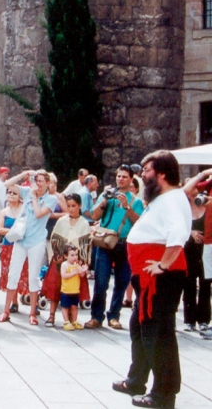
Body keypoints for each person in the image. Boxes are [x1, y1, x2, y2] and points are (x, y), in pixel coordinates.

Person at [113, 151, 191, 409]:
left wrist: (163, 264)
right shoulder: (166, 197)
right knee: (140, 327)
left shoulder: (170, 199)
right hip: (148, 278)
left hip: (157, 278)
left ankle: (163, 395)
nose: (142, 175)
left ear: (163, 173)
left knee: (158, 333)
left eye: (147, 170)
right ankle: (136, 380)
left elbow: (178, 234)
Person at [85, 164, 143, 330]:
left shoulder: (136, 201)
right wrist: (104, 199)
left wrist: (127, 207)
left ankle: (114, 315)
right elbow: (94, 215)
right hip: (105, 242)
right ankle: (96, 316)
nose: (120, 179)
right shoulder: (107, 195)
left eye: (124, 177)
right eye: (119, 176)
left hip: (124, 243)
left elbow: (138, 221)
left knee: (122, 282)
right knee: (101, 281)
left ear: (131, 179)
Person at [0, 169, 58, 325]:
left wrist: (32, 198)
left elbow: (39, 214)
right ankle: (6, 310)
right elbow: (7, 184)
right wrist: (23, 174)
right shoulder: (27, 191)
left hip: (37, 241)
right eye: (36, 180)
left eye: (41, 181)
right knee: (13, 274)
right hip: (21, 239)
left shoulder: (51, 199)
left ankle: (32, 312)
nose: (37, 184)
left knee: (33, 276)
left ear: (47, 183)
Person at [40, 193, 91, 327]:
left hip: (76, 261)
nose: (71, 209)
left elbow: (85, 244)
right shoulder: (62, 221)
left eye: (74, 206)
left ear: (79, 206)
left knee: (73, 289)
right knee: (56, 287)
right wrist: (59, 256)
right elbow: (55, 239)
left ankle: (71, 318)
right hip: (60, 260)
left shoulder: (84, 223)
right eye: (68, 206)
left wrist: (82, 261)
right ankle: (51, 315)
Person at [180, 169, 212, 333]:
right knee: (189, 283)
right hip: (189, 248)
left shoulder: (207, 203)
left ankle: (204, 319)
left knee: (206, 283)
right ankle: (189, 320)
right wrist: (190, 232)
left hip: (205, 247)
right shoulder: (184, 209)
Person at [0, 184, 30, 313]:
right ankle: (13, 302)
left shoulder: (25, 209)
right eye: (9, 192)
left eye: (14, 193)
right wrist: (14, 231)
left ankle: (29, 299)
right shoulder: (4, 212)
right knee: (10, 273)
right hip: (8, 245)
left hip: (22, 245)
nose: (11, 194)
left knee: (24, 272)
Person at [59, 244, 88, 331]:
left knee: (75, 306)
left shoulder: (77, 265)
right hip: (66, 290)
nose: (75, 257)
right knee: (65, 306)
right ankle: (66, 321)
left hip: (75, 290)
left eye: (76, 255)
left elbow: (81, 275)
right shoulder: (65, 265)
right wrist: (74, 272)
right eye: (72, 255)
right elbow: (64, 275)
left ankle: (74, 321)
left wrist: (84, 270)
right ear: (65, 256)